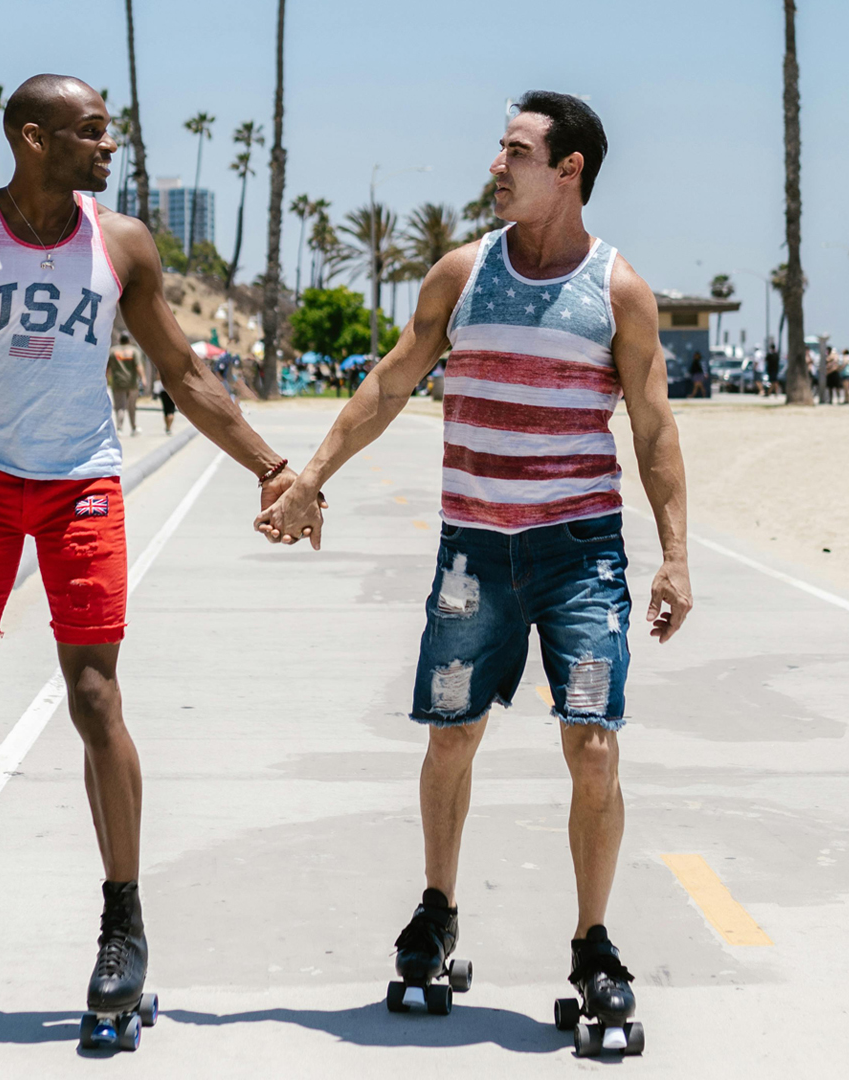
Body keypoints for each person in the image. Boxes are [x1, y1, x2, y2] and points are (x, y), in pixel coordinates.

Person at [0, 73, 300, 1045]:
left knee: (96, 698)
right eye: (92, 132)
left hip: (80, 486)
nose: (110, 146)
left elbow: (182, 369)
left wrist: (272, 468)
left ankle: (122, 925)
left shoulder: (122, 243)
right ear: (33, 138)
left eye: (109, 131)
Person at [256, 90, 692, 1044]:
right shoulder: (463, 273)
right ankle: (436, 912)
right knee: (451, 734)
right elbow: (389, 381)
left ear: (569, 170)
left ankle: (592, 944)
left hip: (580, 558)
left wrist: (675, 556)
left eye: (516, 153)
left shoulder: (618, 291)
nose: (496, 167)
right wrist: (309, 477)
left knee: (592, 742)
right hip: (472, 558)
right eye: (500, 150)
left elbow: (654, 427)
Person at [107, 331, 142, 435]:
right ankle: (133, 427)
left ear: (119, 340)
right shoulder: (134, 351)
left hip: (118, 382)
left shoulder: (113, 351)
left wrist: (105, 379)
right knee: (132, 406)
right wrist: (143, 378)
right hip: (132, 383)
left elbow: (107, 367)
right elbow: (138, 366)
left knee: (120, 406)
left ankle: (119, 428)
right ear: (129, 340)